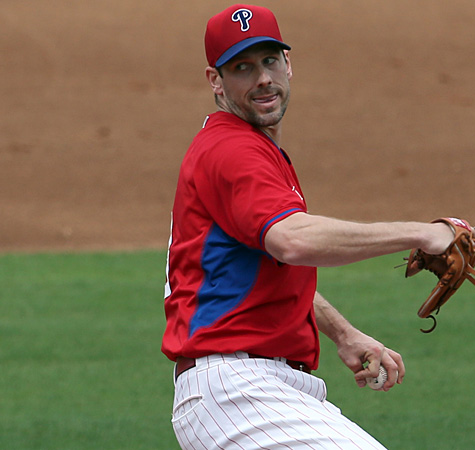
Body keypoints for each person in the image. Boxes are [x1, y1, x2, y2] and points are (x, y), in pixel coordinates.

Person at [162, 4, 454, 449]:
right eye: (242, 68)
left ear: (288, 64)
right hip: (238, 390)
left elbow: (263, 268)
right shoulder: (233, 151)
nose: (263, 78)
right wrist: (422, 233)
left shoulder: (249, 151)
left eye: (270, 61)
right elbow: (292, 241)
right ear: (215, 81)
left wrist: (343, 333)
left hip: (251, 388)